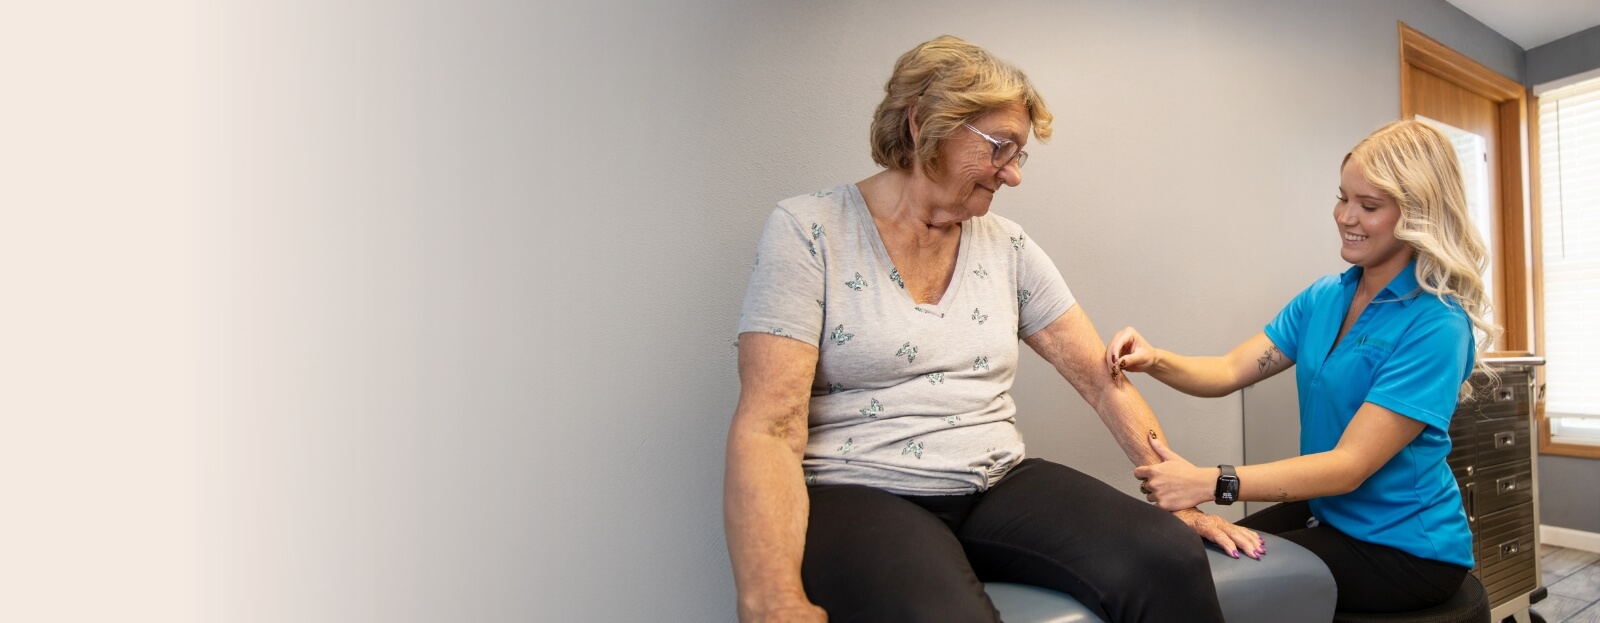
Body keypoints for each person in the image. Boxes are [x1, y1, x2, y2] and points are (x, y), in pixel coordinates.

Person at [722, 35, 1261, 623]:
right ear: (923, 123)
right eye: (1000, 147)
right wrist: (771, 597)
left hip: (995, 479)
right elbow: (770, 426)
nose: (1014, 175)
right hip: (860, 489)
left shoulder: (1007, 246)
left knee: (1168, 557)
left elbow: (1101, 379)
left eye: (1019, 154)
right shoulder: (810, 231)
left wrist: (1179, 501)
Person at [1112, 119, 1500, 613]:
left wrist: (1210, 482)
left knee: (1213, 588)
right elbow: (1229, 370)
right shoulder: (1326, 297)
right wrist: (1154, 359)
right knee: (1189, 554)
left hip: (1404, 549)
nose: (1345, 216)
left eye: (1369, 206)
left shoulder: (1436, 324)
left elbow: (1349, 466)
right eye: (1343, 197)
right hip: (1330, 515)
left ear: (1417, 214)